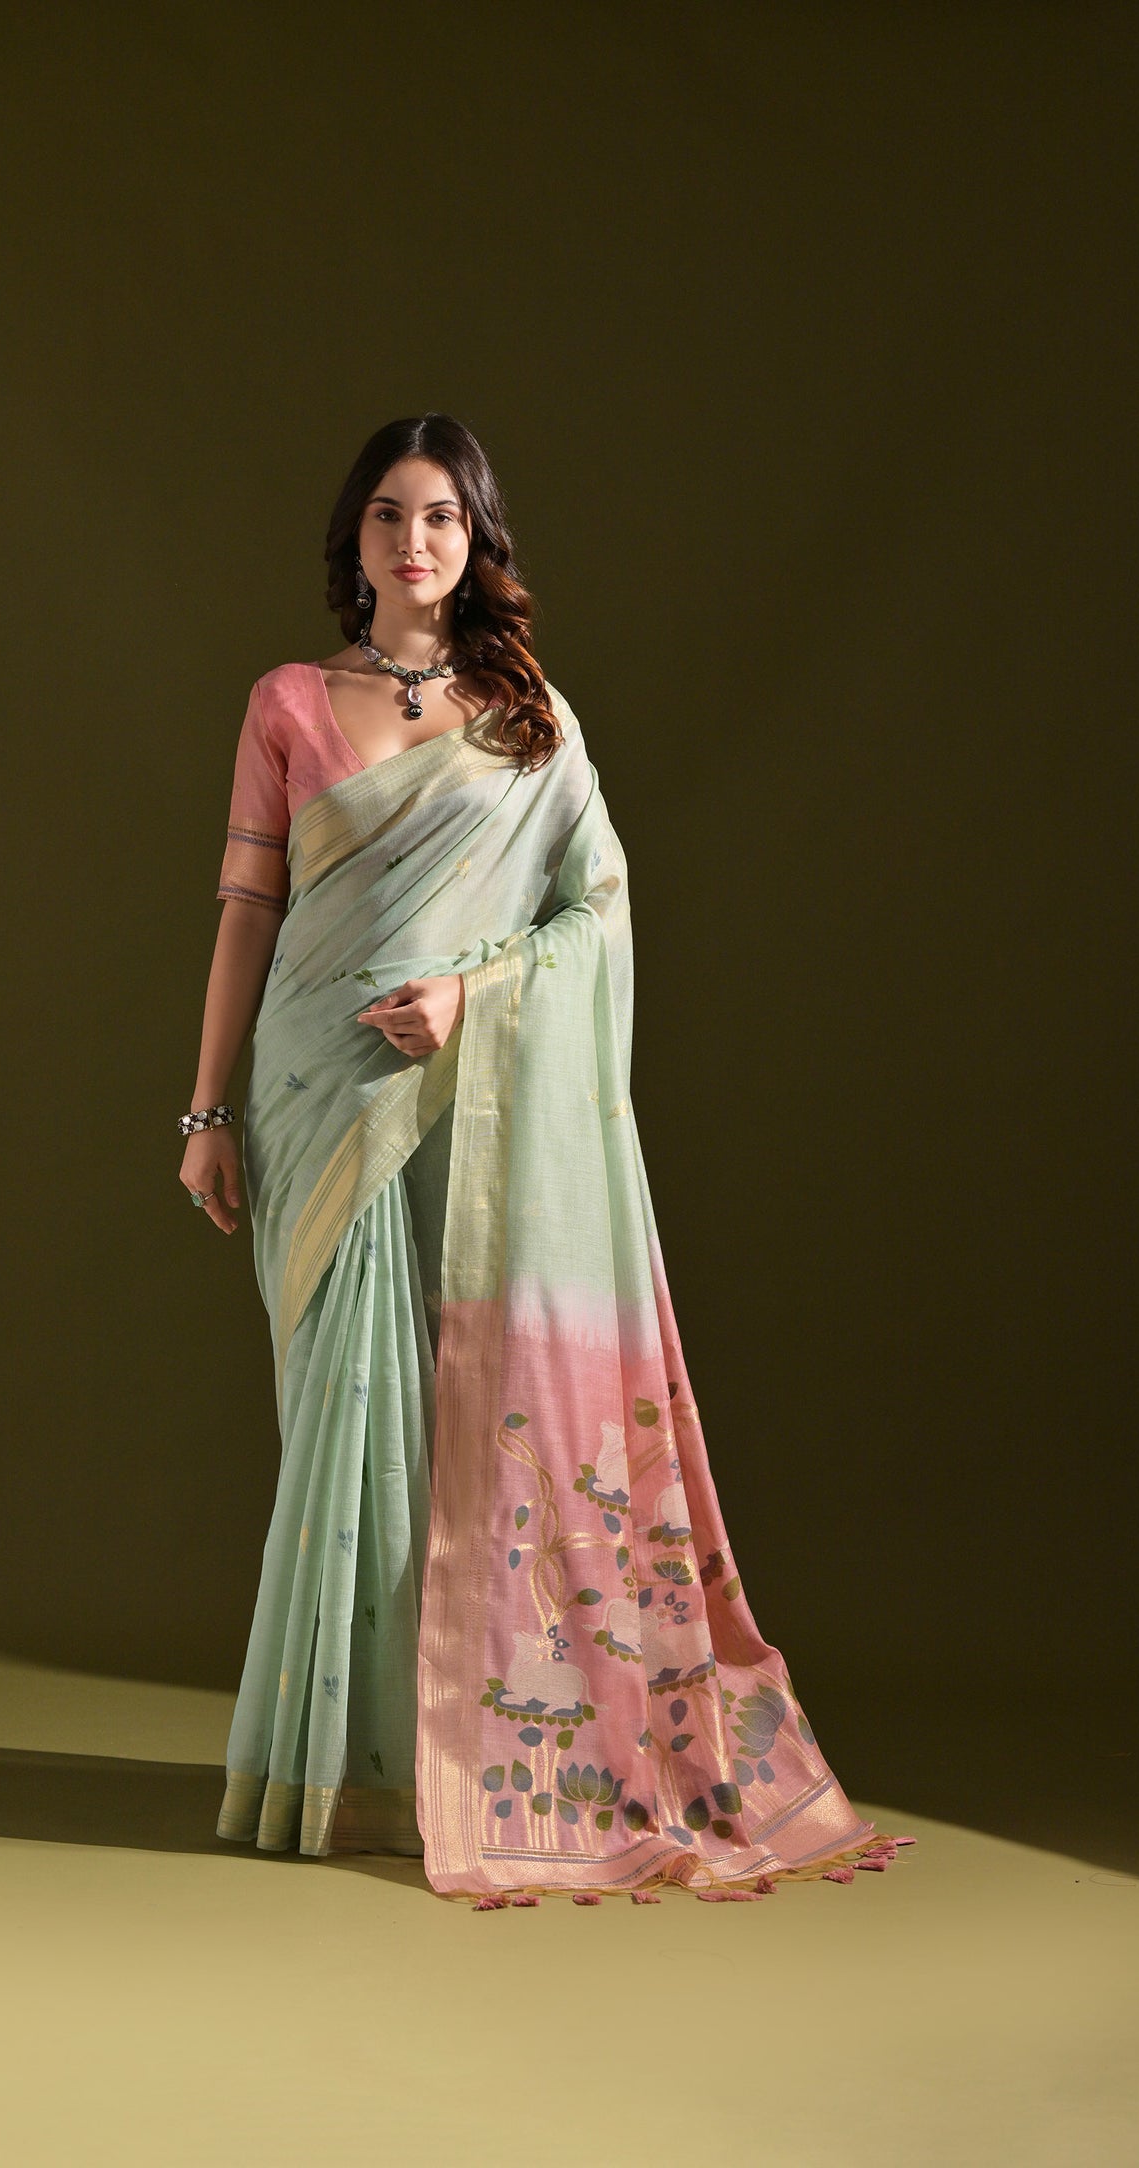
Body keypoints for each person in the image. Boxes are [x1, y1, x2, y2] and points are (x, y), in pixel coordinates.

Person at [178, 413, 913, 1906]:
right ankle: (331, 1777)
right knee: (342, 1425)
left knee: (453, 1423)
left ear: (476, 540)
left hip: (463, 1100)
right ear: (353, 538)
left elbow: (598, 909)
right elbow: (247, 912)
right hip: (316, 1092)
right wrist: (206, 1113)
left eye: (442, 517)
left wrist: (472, 997)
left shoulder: (526, 717)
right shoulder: (288, 702)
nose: (415, 542)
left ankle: (441, 1769)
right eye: (389, 515)